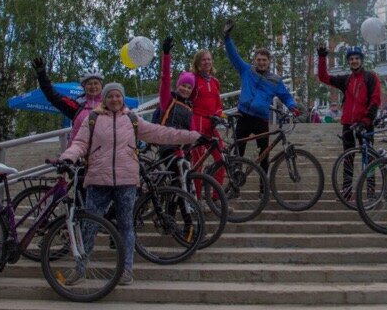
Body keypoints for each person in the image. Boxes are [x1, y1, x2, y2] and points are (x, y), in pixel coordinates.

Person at [58, 82, 201, 286]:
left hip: (126, 181)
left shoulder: (132, 119)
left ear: (122, 98)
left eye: (118, 96)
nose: (114, 99)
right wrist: (68, 157)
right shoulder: (93, 119)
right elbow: (80, 143)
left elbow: (161, 133)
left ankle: (126, 270)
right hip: (98, 180)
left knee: (126, 226)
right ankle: (80, 269)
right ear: (105, 99)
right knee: (89, 226)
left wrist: (194, 136)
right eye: (110, 96)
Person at [222, 19, 301, 160]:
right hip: (243, 116)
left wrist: (292, 107)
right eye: (259, 59)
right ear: (254, 60)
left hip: (261, 119)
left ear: (269, 61)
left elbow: (286, 96)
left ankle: (263, 182)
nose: (261, 62)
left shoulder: (275, 80)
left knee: (264, 153)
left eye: (264, 60)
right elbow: (233, 56)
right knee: (238, 152)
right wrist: (227, 38)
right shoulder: (246, 70)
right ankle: (235, 177)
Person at [317, 44, 381, 200]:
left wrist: (367, 119)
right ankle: (347, 191)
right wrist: (322, 58)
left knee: (369, 158)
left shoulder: (370, 77)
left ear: (361, 60)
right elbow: (324, 77)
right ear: (348, 61)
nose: (354, 61)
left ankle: (371, 192)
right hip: (348, 124)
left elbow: (375, 100)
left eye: (357, 58)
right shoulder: (346, 79)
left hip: (365, 124)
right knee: (348, 158)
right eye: (351, 59)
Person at [31, 57, 103, 145]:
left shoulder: (109, 104)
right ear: (83, 86)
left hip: (103, 153)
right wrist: (41, 74)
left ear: (101, 85)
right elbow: (53, 96)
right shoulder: (77, 105)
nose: (93, 86)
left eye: (96, 83)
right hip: (78, 152)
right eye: (89, 84)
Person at [189, 46, 225, 181]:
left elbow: (218, 103)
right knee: (198, 161)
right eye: (203, 60)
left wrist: (218, 114)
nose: (207, 62)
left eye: (209, 59)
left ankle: (216, 197)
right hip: (197, 121)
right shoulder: (193, 79)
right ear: (198, 63)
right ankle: (197, 198)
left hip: (212, 123)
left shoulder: (215, 81)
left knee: (221, 157)